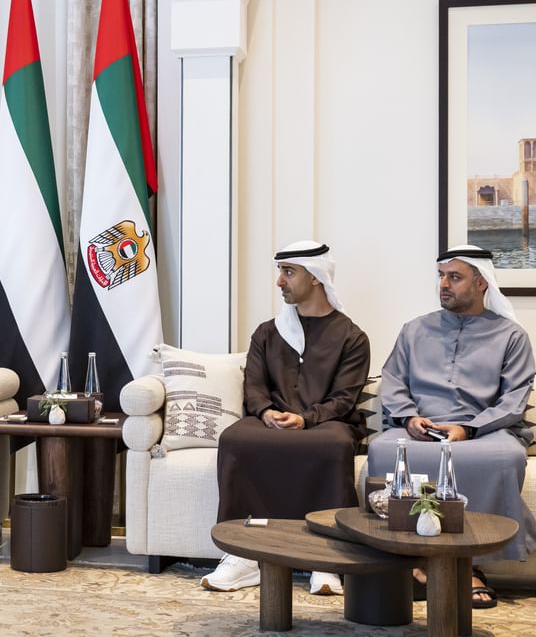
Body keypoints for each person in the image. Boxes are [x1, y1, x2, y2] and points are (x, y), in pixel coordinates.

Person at [368, 244, 536, 609]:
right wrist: (409, 417)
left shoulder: (511, 336)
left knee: (506, 457)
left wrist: (468, 429)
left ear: (481, 283)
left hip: (483, 431)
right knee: (383, 448)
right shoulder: (414, 330)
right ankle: (411, 561)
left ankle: (470, 566)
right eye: (441, 276)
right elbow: (393, 379)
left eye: (455, 277)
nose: (444, 285)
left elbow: (514, 399)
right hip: (419, 428)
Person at [203, 240, 370, 595]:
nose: (280, 281)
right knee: (236, 438)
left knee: (334, 444)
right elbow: (253, 385)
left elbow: (344, 398)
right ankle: (242, 554)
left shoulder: (352, 337)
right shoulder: (267, 332)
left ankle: (325, 557)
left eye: (289, 272)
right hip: (270, 419)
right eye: (280, 271)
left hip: (326, 423)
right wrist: (266, 411)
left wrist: (305, 419)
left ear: (316, 277)